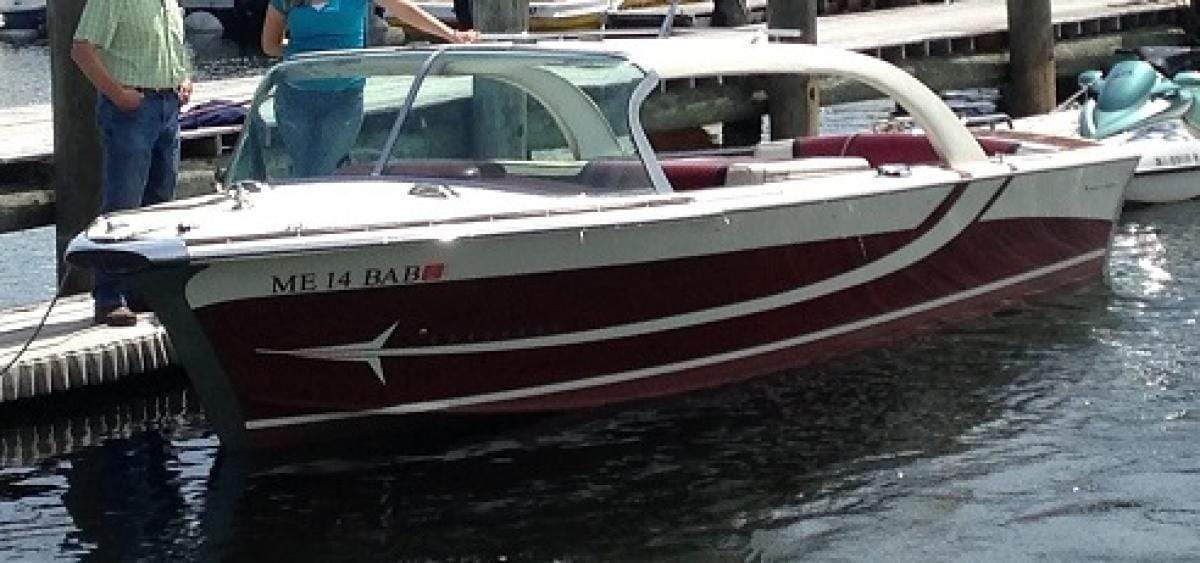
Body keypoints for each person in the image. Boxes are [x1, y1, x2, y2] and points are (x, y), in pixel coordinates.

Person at [71, 0, 193, 327]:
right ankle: (109, 297)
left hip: (169, 106)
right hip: (131, 110)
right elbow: (81, 49)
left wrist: (184, 77)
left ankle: (146, 290)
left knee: (160, 205)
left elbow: (175, 46)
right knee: (122, 206)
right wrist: (117, 93)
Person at [261, 0, 477, 177]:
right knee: (303, 167)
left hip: (344, 97)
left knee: (321, 169)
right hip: (293, 98)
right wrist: (311, 54)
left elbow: (403, 9)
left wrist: (452, 35)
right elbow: (269, 45)